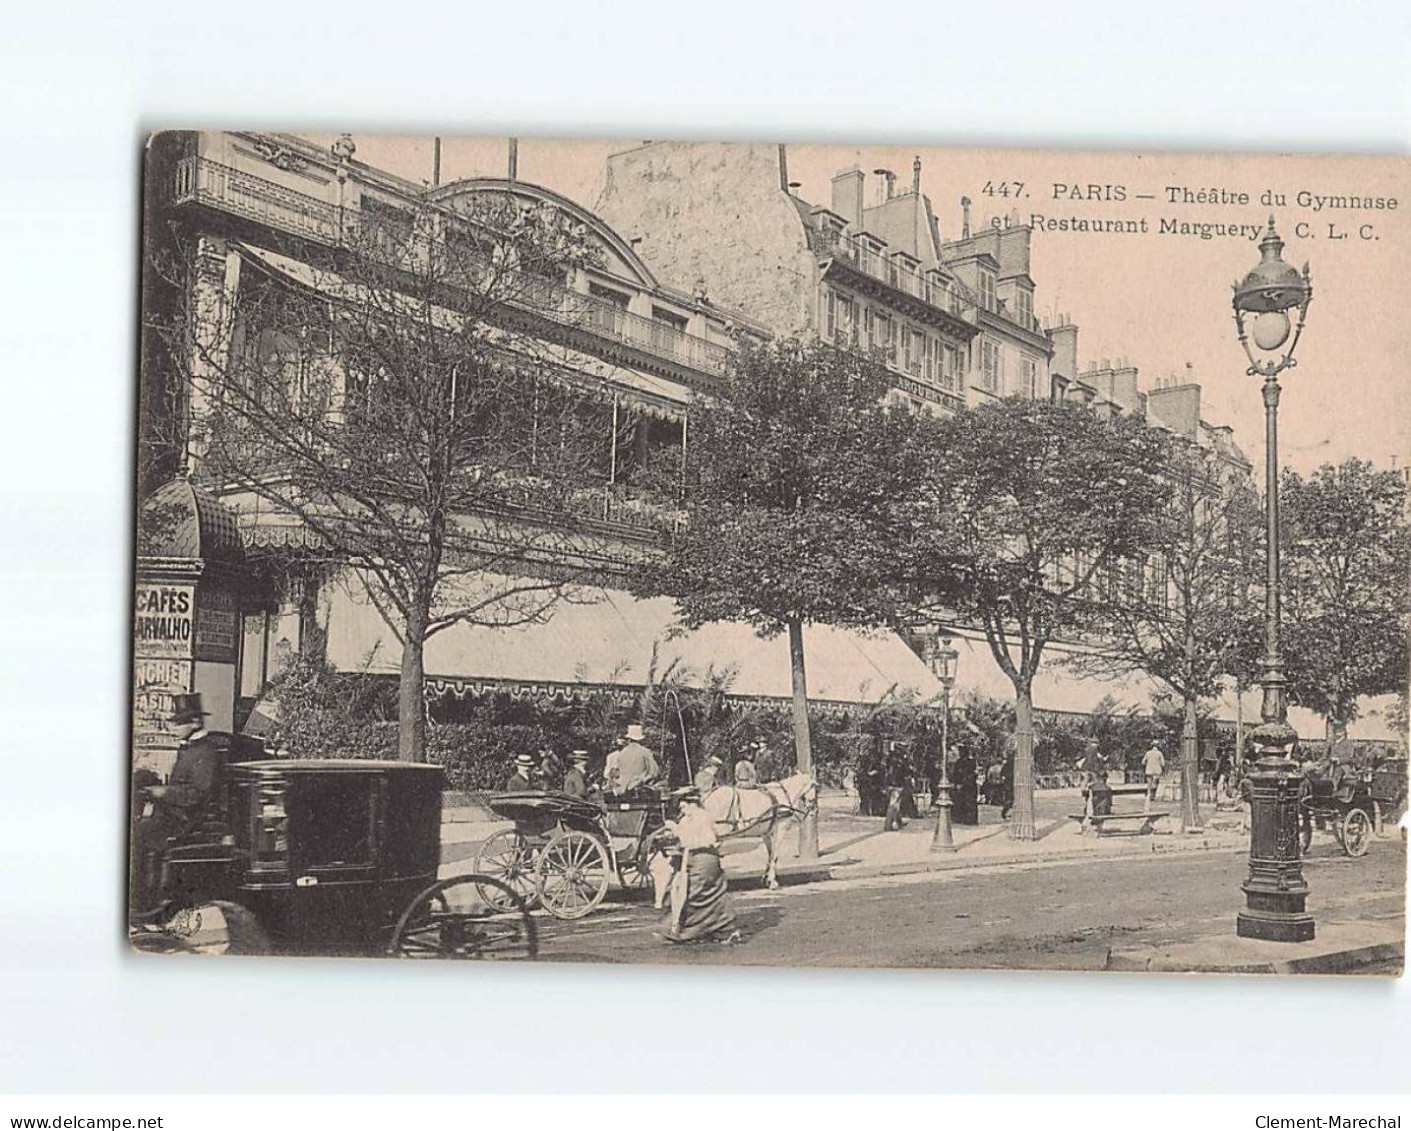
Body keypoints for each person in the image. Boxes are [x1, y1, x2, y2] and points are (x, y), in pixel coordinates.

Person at [130, 693, 225, 913]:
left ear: (195, 722)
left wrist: (164, 793)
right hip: (175, 812)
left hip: (188, 819)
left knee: (142, 833)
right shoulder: (190, 748)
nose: (176, 727)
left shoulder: (205, 752)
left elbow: (197, 795)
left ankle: (147, 900)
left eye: (181, 722)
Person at [660, 788, 740, 945]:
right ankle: (705, 928)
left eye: (683, 806)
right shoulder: (686, 819)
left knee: (694, 893)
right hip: (690, 859)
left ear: (692, 804)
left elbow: (707, 840)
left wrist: (677, 832)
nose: (681, 810)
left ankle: (690, 930)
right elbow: (683, 837)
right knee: (677, 892)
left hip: (705, 859)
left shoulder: (703, 817)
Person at [605, 723, 659, 796]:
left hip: (623, 789)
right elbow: (654, 772)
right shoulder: (645, 752)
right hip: (640, 789)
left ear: (628, 739)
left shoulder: (622, 753)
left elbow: (617, 772)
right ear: (641, 739)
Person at [1142, 741, 1166, 812]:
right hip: (1157, 771)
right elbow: (1163, 764)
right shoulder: (1159, 753)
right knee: (1155, 784)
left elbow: (1143, 762)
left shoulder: (1148, 753)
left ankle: (1149, 797)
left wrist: (1147, 765)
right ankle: (1153, 796)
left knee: (1149, 784)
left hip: (1149, 771)